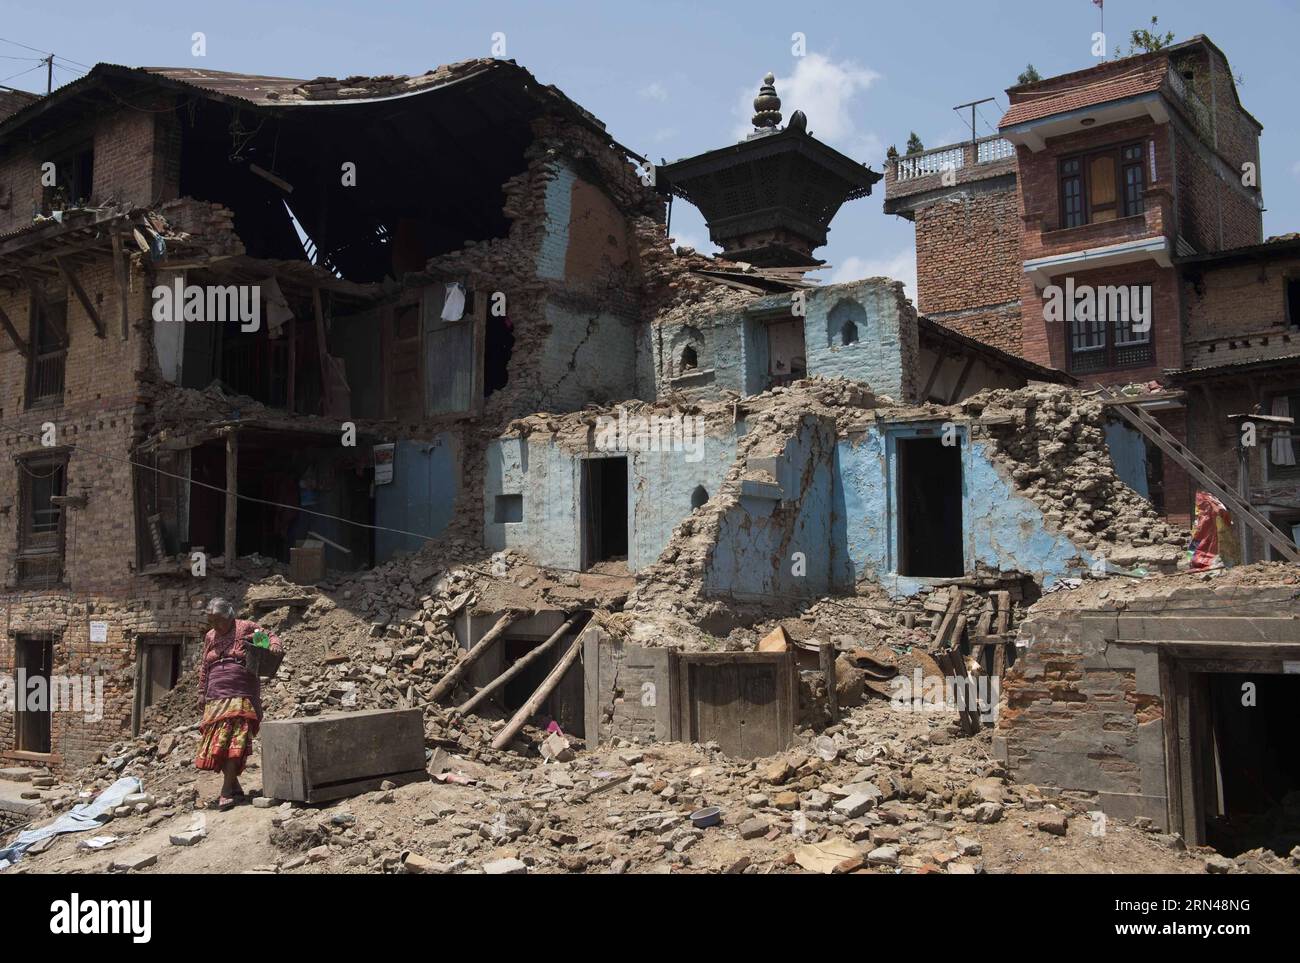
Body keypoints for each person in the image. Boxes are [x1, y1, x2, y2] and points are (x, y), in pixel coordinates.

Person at [195, 598, 282, 810]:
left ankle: (226, 791)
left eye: (219, 619)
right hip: (215, 695)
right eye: (211, 620)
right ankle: (233, 785)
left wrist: (274, 646)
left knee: (235, 738)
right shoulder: (210, 637)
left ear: (230, 615)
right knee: (219, 742)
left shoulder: (244, 628)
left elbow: (269, 637)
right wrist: (201, 692)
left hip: (241, 691)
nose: (216, 624)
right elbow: (205, 666)